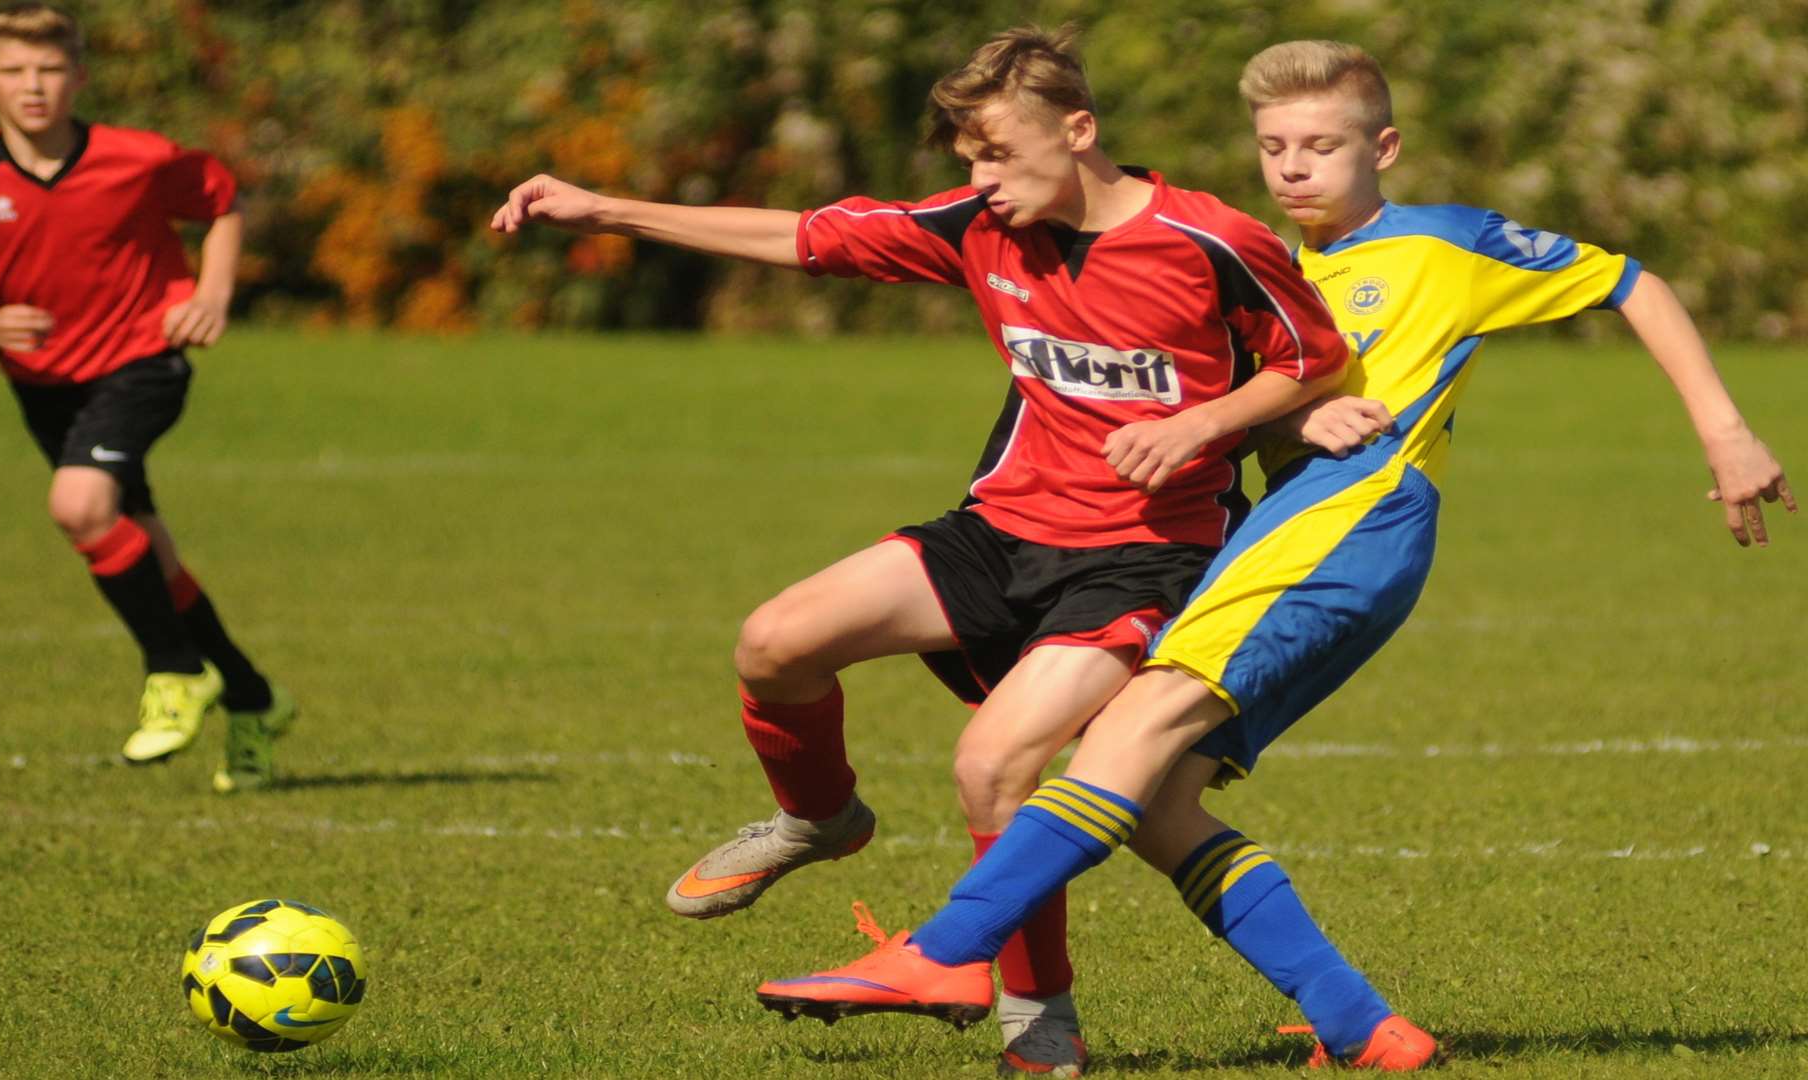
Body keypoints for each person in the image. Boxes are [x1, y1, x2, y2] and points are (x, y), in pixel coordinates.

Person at [756, 38, 1794, 1071]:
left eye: (1323, 145)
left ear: (1381, 147)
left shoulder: (1444, 246)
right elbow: (1238, 390)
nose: (1296, 167)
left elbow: (1630, 282)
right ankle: (1364, 1028)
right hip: (1281, 526)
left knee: (1131, 734)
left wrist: (1725, 429)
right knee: (1157, 801)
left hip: (1357, 518)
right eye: (1275, 146)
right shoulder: (1252, 259)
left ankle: (944, 951)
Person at [493, 26, 1351, 1076]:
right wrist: (605, 208)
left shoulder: (1210, 238)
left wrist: (1200, 426)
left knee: (995, 770)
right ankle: (818, 819)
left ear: (1079, 130)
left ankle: (1041, 1029)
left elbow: (1313, 360)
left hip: (1144, 559)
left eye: (998, 153)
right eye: (968, 161)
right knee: (774, 644)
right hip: (997, 532)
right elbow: (801, 236)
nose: (981, 181)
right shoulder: (978, 227)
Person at [0, 3, 297, 793]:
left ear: (77, 77)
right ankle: (253, 697)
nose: (32, 86)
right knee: (147, 553)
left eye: (48, 70)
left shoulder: (136, 158)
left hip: (142, 361)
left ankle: (176, 670)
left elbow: (220, 200)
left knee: (78, 505)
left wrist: (211, 292)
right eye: (14, 72)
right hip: (44, 385)